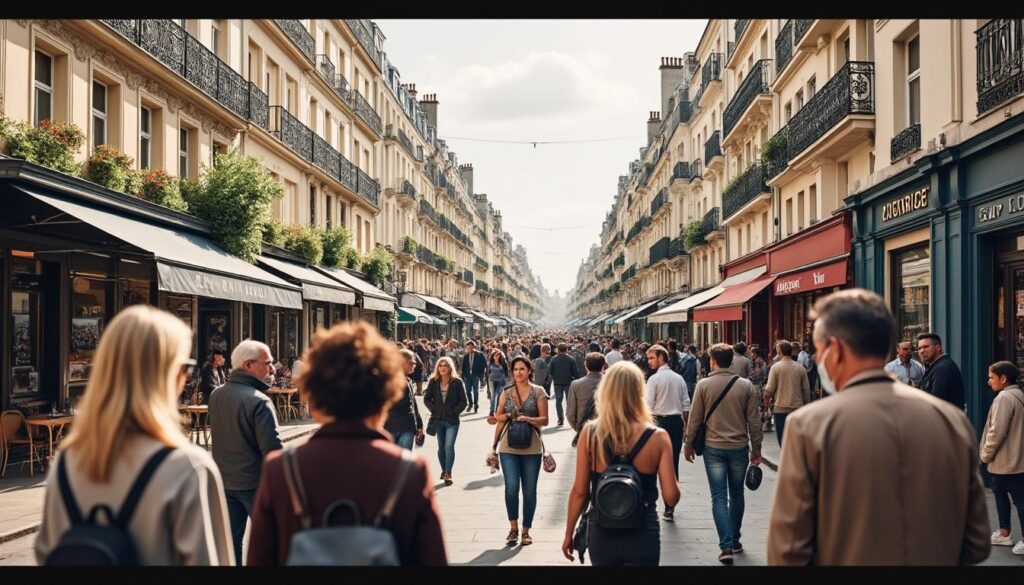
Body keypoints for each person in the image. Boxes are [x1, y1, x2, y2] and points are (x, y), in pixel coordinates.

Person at [767, 289, 990, 565]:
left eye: (819, 350)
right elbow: (977, 543)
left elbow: (787, 551)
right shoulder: (952, 422)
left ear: (835, 350)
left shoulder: (809, 426)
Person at [35, 305, 233, 565]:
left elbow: (47, 553)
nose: (186, 377)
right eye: (185, 365)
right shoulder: (188, 468)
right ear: (167, 373)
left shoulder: (67, 462)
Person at [246, 322, 447, 566]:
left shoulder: (280, 470)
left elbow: (260, 560)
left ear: (315, 399)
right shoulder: (410, 471)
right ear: (384, 399)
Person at [561, 361, 681, 566]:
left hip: (601, 530)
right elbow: (671, 496)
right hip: (643, 531)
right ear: (639, 391)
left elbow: (580, 491)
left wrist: (569, 533)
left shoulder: (589, 433)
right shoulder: (658, 437)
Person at [684, 343, 762, 564]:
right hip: (739, 447)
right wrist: (756, 448)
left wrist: (688, 445)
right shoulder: (745, 385)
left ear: (713, 361)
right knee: (737, 494)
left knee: (719, 496)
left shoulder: (704, 385)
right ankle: (735, 538)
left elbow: (695, 419)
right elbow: (754, 422)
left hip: (713, 448)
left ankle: (726, 545)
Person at [208, 339, 283, 565]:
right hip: (255, 484)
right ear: (248, 366)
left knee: (230, 544)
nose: (272, 369)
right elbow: (273, 452)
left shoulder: (217, 395)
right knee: (271, 544)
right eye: (267, 363)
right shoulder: (259, 401)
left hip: (225, 481)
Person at [491, 356, 549, 547]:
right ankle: (513, 528)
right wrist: (493, 447)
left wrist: (528, 419)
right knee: (511, 488)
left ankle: (526, 531)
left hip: (532, 447)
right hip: (508, 446)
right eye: (515, 369)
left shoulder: (538, 391)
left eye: (522, 369)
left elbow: (545, 420)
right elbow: (498, 416)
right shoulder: (506, 392)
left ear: (529, 370)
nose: (518, 372)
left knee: (530, 491)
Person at [980, 361, 1024, 555]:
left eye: (991, 377)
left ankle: (1008, 533)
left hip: (1006, 460)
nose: (989, 382)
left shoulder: (1004, 398)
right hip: (1010, 459)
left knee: (1017, 500)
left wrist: (984, 455)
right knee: (1001, 494)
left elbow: (996, 431)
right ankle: (1004, 532)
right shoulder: (1018, 394)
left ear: (1003, 379)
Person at [645, 345, 690, 503]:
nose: (648, 361)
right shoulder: (679, 378)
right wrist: (686, 426)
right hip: (676, 423)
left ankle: (653, 498)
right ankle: (670, 503)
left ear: (661, 358)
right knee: (673, 463)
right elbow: (686, 405)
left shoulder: (654, 379)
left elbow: (648, 405)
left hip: (658, 423)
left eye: (651, 358)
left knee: (651, 462)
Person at [423, 356, 468, 486]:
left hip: (452, 421)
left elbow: (463, 401)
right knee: (441, 447)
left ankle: (448, 473)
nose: (442, 368)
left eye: (445, 365)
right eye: (440, 365)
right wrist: (434, 409)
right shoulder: (433, 382)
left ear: (450, 368)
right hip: (438, 420)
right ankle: (443, 470)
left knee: (449, 447)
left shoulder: (457, 383)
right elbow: (427, 399)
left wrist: (454, 411)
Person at [763, 340, 810, 447]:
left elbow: (768, 390)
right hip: (798, 409)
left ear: (780, 352)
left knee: (783, 443)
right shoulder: (800, 368)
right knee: (797, 442)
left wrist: (766, 408)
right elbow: (806, 391)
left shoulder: (776, 368)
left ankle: (786, 462)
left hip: (780, 409)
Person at [384, 349, 424, 451]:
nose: (414, 366)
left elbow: (413, 404)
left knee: (402, 462)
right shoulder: (387, 380)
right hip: (391, 427)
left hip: (406, 427)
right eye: (411, 363)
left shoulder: (408, 381)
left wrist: (419, 424)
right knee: (395, 462)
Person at [917, 332, 966, 409]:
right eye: (919, 348)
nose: (921, 351)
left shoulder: (941, 369)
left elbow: (936, 403)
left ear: (938, 348)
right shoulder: (938, 366)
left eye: (926, 347)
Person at [567, 352, 605, 434]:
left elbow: (570, 413)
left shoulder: (576, 384)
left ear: (586, 366)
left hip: (584, 427)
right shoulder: (612, 383)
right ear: (603, 366)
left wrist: (579, 429)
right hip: (607, 428)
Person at [549, 343, 581, 426]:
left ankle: (560, 419)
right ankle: (571, 418)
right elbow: (576, 372)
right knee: (569, 401)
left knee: (558, 401)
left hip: (557, 382)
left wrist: (554, 378)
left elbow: (550, 371)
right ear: (567, 350)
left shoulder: (553, 359)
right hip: (568, 382)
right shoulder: (571, 359)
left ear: (558, 350)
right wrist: (576, 380)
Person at [461, 340, 487, 414]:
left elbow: (484, 364)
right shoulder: (466, 356)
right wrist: (463, 376)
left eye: (470, 347)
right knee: (468, 391)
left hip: (476, 375)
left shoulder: (480, 355)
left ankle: (476, 404)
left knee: (475, 391)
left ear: (473, 347)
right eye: (467, 348)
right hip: (467, 376)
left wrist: (481, 374)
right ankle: (470, 404)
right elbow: (463, 366)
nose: (468, 349)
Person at [748, 347, 771, 431]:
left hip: (758, 385)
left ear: (756, 354)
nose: (751, 355)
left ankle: (762, 422)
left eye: (752, 353)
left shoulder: (759, 363)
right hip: (757, 385)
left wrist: (751, 378)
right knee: (759, 404)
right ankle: (762, 423)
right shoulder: (755, 362)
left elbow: (758, 375)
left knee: (760, 404)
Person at [487, 349, 510, 416]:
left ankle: (497, 409)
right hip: (492, 380)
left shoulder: (503, 363)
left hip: (500, 381)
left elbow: (506, 373)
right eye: (495, 355)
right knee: (493, 395)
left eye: (498, 355)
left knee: (498, 394)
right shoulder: (490, 363)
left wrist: (506, 381)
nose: (497, 356)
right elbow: (488, 373)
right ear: (493, 356)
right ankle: (492, 410)